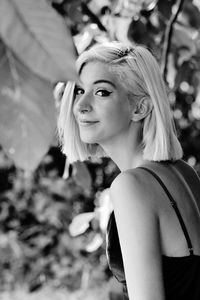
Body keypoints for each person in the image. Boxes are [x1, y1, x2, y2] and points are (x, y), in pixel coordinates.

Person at [57, 41, 200, 300]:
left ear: (140, 108)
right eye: (79, 90)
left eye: (101, 92)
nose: (81, 105)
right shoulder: (184, 173)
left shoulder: (130, 185)